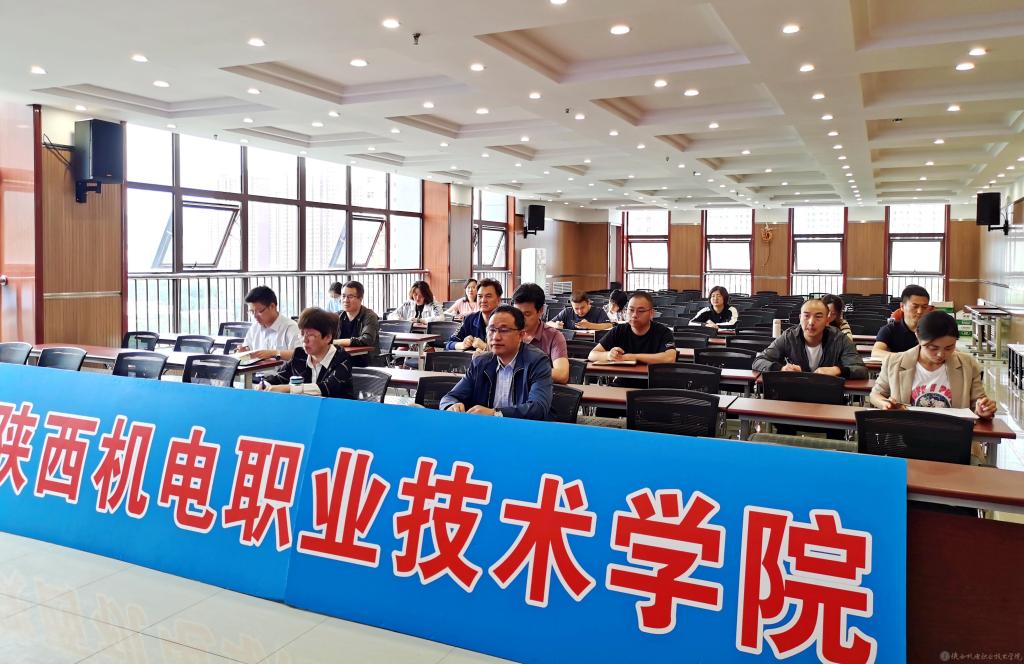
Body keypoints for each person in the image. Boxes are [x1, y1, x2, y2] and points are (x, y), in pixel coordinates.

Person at [869, 311, 996, 417]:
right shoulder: (895, 362)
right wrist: (885, 404)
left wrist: (983, 409)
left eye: (949, 347)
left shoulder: (967, 364)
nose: (941, 354)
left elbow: (978, 401)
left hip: (953, 434)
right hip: (907, 433)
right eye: (933, 348)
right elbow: (876, 394)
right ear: (918, 337)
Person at [439, 305, 553, 420]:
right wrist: (451, 406)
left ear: (520, 335)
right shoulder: (480, 363)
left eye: (504, 330)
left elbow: (538, 408)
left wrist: (495, 413)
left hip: (522, 428)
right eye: (492, 330)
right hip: (484, 428)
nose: (496, 337)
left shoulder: (537, 361)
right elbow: (449, 398)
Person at [753, 299, 867, 379]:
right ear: (800, 318)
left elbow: (861, 370)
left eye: (818, 317)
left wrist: (837, 370)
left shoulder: (840, 339)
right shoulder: (789, 337)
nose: (811, 322)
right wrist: (782, 369)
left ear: (827, 320)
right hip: (795, 394)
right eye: (806, 316)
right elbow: (758, 361)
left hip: (827, 394)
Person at [260, 307, 354, 399]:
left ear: (327, 338)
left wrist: (289, 388)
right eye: (301, 334)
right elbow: (279, 378)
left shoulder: (342, 359)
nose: (304, 340)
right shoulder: (300, 355)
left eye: (311, 335)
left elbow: (327, 387)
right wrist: (265, 384)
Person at [588, 292, 676, 388]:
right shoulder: (619, 330)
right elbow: (592, 355)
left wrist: (632, 357)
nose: (634, 315)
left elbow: (670, 358)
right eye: (631, 310)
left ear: (651, 313)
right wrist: (609, 355)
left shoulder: (663, 332)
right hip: (622, 385)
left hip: (654, 387)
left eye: (640, 311)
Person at [512, 283, 569, 384]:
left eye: (527, 314)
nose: (520, 319)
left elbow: (562, 374)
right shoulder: (507, 332)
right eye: (517, 313)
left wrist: (525, 370)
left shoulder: (554, 336)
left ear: (541, 310)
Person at [238, 286, 300, 359]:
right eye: (252, 312)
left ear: (272, 306)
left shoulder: (290, 327)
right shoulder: (254, 328)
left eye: (260, 311)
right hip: (257, 366)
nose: (255, 316)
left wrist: (274, 353)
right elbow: (246, 355)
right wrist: (243, 354)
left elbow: (301, 355)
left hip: (282, 367)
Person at [873, 284, 930, 357]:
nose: (920, 311)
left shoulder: (934, 330)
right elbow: (876, 352)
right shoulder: (890, 329)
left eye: (924, 307)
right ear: (902, 306)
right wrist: (905, 358)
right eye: (915, 306)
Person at [446, 278, 502, 350]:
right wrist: (463, 344)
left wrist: (485, 347)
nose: (483, 300)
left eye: (488, 296)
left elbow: (511, 351)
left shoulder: (507, 321)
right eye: (480, 296)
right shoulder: (469, 319)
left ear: (498, 300)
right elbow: (449, 344)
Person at [335, 280, 380, 368]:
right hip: (342, 363)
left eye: (350, 296)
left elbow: (367, 340)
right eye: (343, 296)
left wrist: (337, 342)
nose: (345, 300)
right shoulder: (337, 316)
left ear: (360, 298)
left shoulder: (370, 316)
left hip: (365, 364)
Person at [547, 291, 613, 331]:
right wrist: (556, 325)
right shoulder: (567, 312)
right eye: (576, 309)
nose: (580, 311)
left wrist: (589, 325)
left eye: (582, 307)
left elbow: (609, 325)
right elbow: (548, 323)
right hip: (572, 343)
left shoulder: (599, 311)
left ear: (588, 303)